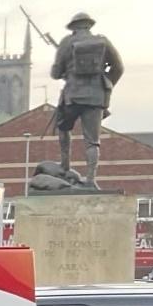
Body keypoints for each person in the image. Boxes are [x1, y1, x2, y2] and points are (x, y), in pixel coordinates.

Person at [49, 11, 126, 185]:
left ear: (73, 28)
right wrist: (106, 84)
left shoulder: (66, 43)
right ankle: (91, 179)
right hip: (96, 97)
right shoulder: (103, 42)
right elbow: (119, 68)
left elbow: (55, 73)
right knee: (92, 141)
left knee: (63, 127)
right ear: (89, 25)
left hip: (73, 96)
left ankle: (65, 166)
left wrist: (65, 71)